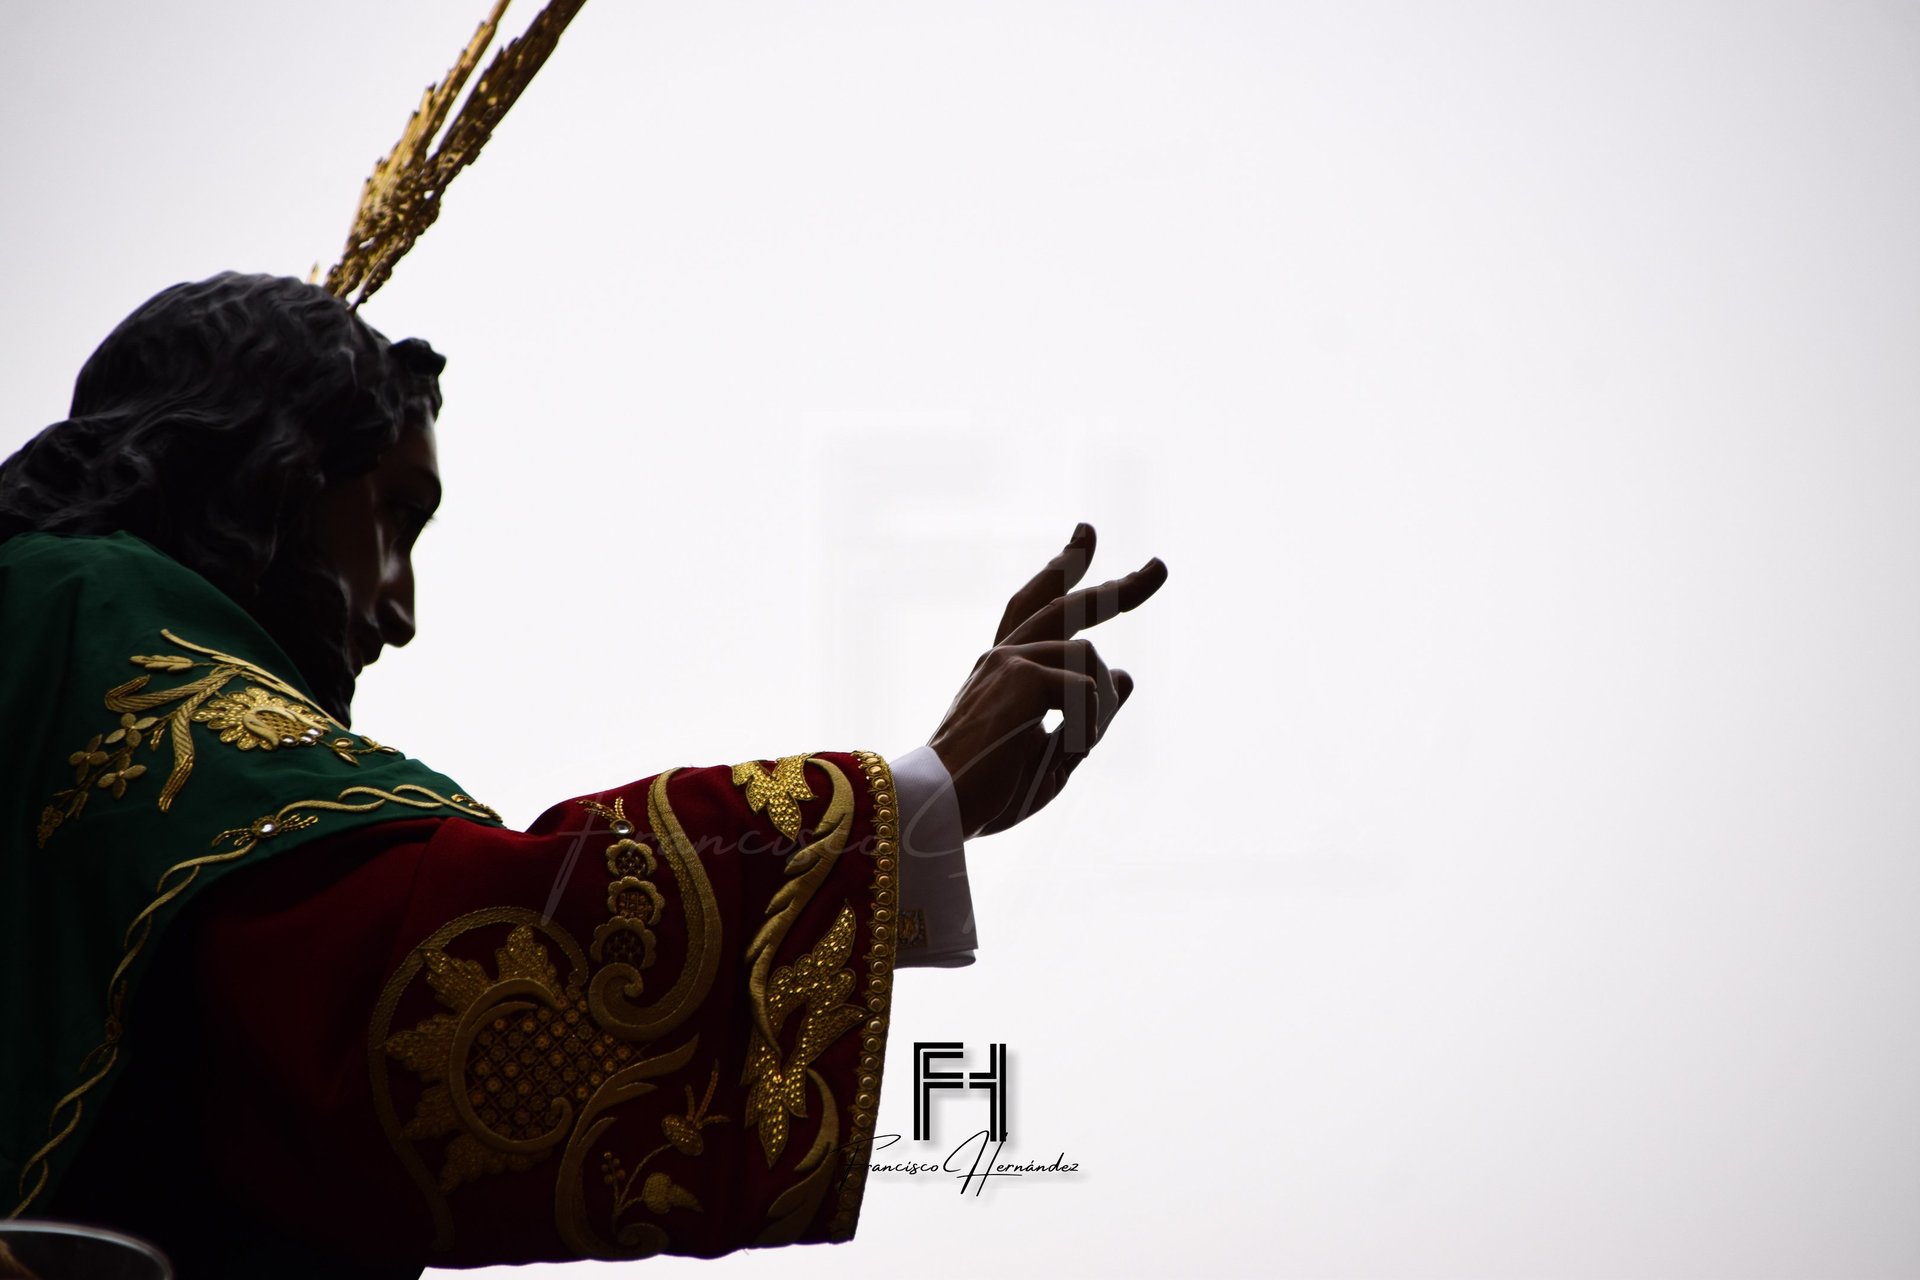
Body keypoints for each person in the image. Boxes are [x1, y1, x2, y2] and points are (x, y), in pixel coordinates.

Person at [0, 273, 1166, 1277]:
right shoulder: (80, 608)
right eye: (394, 517)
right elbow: (397, 974)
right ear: (273, 466)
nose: (398, 610)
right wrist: (914, 797)